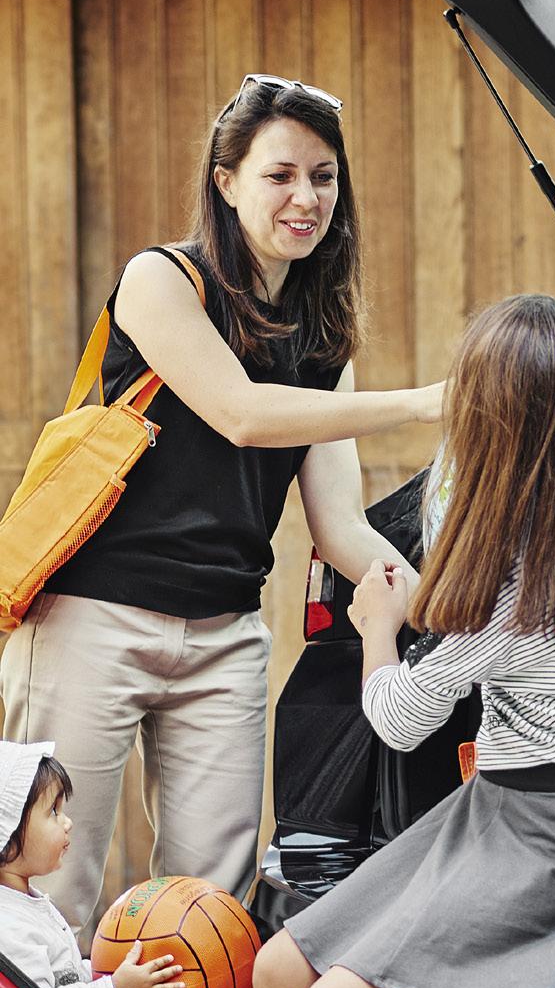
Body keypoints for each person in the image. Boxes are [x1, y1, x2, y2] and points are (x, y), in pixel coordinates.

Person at [1, 75, 442, 933]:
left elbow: (341, 527)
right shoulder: (162, 281)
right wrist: (421, 402)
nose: (305, 197)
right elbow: (242, 413)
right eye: (280, 175)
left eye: (324, 176)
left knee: (211, 913)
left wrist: (444, 605)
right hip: (94, 617)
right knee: (47, 888)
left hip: (224, 638)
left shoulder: (323, 338)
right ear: (226, 179)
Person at [252, 293, 555, 988]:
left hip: (547, 836)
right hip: (518, 812)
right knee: (278, 973)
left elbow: (402, 722)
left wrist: (377, 626)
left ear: (494, 431)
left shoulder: (515, 576)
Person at [0, 739, 284, 988]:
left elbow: (64, 975)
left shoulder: (28, 901)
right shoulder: (8, 925)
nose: (68, 822)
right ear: (8, 830)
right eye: (53, 812)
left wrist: (112, 970)